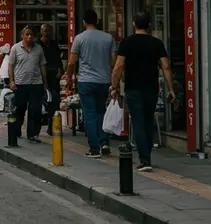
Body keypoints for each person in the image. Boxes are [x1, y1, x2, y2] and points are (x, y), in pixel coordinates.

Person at [112, 12, 177, 172]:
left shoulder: (127, 42)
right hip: (151, 88)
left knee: (138, 122)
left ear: (134, 24)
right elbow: (166, 66)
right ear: (149, 25)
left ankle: (144, 159)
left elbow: (119, 66)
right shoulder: (156, 43)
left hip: (133, 88)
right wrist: (171, 89)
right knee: (148, 122)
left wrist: (114, 86)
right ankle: (146, 155)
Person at [66, 10, 116, 157]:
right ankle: (104, 142)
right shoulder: (108, 38)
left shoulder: (79, 38)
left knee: (89, 114)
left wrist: (68, 76)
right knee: (101, 111)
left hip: (86, 81)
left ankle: (94, 148)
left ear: (84, 22)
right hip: (103, 80)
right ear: (97, 21)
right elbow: (114, 61)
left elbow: (72, 62)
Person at [7, 27, 49, 144]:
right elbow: (11, 65)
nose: (29, 36)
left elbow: (42, 65)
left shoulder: (38, 49)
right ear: (22, 35)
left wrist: (45, 82)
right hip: (21, 84)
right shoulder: (15, 48)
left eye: (31, 35)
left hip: (36, 83)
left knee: (35, 109)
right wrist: (11, 81)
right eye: (27, 34)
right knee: (20, 109)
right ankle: (16, 130)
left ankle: (33, 134)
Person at [38, 24, 64, 135]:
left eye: (49, 31)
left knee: (54, 100)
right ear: (41, 32)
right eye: (45, 31)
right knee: (43, 101)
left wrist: (59, 70)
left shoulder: (54, 44)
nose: (47, 33)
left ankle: (51, 125)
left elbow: (58, 59)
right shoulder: (37, 45)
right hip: (41, 76)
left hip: (53, 76)